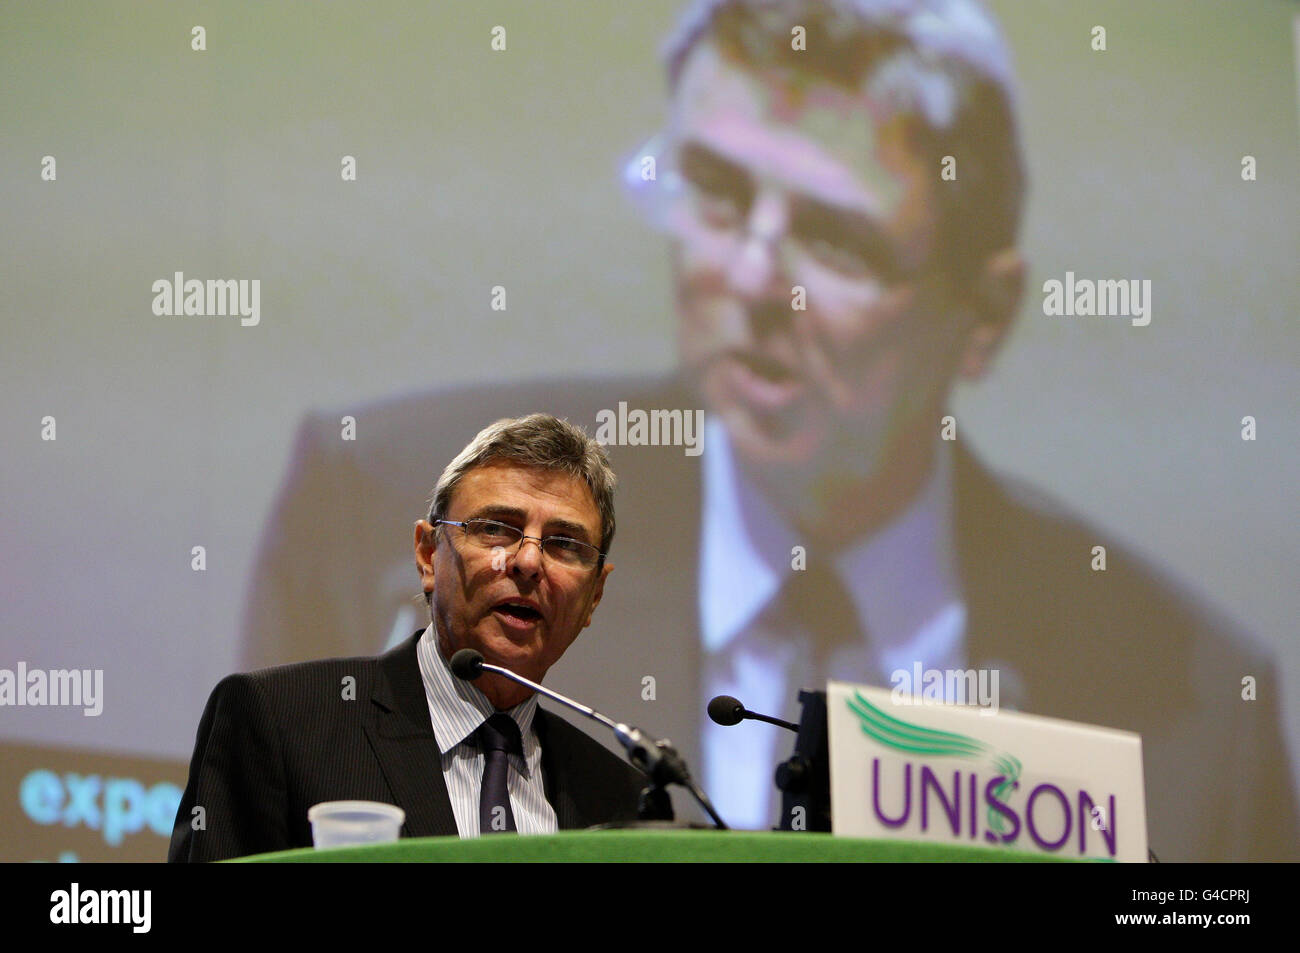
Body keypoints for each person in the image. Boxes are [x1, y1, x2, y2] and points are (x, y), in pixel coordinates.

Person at [238, 0, 1299, 859]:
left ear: (979, 316)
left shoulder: (1195, 700)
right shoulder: (395, 511)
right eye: (714, 189)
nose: (749, 279)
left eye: (833, 237)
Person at [169, 416, 645, 861]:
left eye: (564, 544)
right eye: (497, 529)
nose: (526, 562)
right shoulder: (278, 723)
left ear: (595, 594)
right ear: (426, 556)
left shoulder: (620, 799)